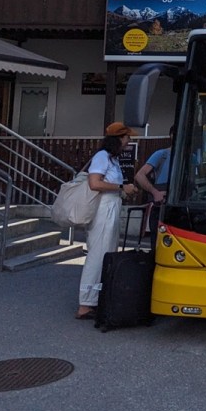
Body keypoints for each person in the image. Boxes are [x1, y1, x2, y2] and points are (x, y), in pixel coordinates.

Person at [76, 122, 139, 319]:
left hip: (110, 207)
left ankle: (95, 298)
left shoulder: (110, 158)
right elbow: (94, 183)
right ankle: (86, 302)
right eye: (127, 137)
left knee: (105, 253)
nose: (129, 141)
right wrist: (122, 187)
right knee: (98, 254)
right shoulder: (102, 157)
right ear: (119, 138)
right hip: (104, 210)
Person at [134, 128, 173, 238]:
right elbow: (140, 175)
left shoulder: (191, 157)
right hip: (161, 206)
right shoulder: (162, 155)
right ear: (172, 135)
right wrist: (155, 193)